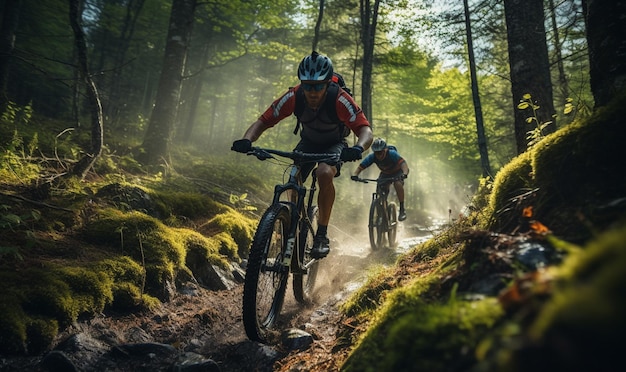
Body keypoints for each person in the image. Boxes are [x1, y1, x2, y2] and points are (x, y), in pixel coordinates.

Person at [231, 51, 373, 259]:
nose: (312, 92)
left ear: (327, 84)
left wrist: (358, 148)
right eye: (307, 85)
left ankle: (322, 235)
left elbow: (365, 130)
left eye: (318, 86)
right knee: (294, 175)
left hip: (333, 144)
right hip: (308, 142)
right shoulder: (294, 95)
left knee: (324, 173)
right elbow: (264, 120)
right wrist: (247, 140)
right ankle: (292, 219)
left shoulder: (340, 98)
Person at [351, 138, 410, 221]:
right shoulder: (372, 157)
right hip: (385, 174)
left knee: (398, 184)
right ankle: (382, 211)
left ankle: (402, 209)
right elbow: (361, 167)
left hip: (397, 172)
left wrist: (404, 174)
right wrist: (355, 175)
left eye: (380, 152)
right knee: (380, 191)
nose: (378, 155)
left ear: (385, 150)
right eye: (376, 153)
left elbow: (403, 164)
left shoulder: (392, 154)